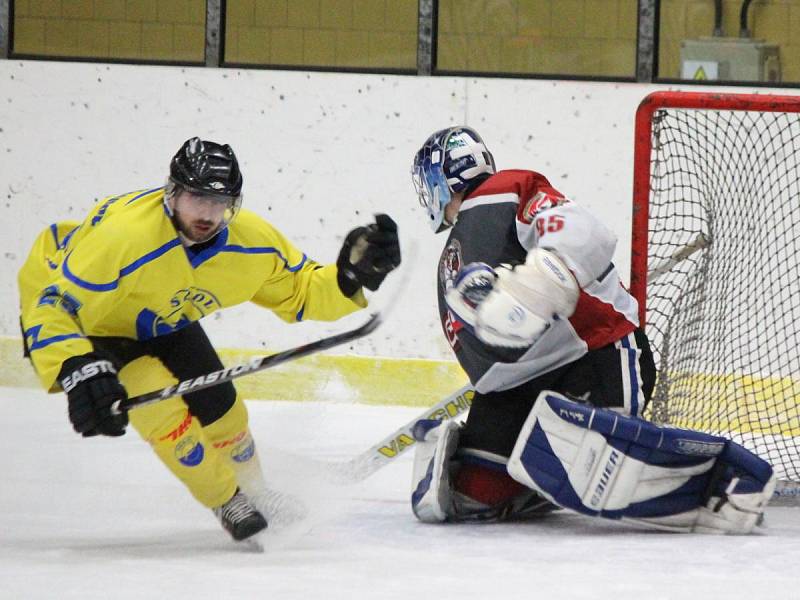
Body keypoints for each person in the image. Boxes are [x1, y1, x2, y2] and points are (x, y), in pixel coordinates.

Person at [18, 137, 401, 543]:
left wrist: (348, 279)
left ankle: (257, 490)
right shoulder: (122, 238)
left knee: (221, 405)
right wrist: (76, 366)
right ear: (172, 194)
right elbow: (51, 306)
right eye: (197, 198)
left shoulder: (250, 242)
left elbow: (300, 289)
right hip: (90, 324)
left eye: (219, 202)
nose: (208, 213)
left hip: (161, 316)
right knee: (159, 403)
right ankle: (226, 499)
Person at [408, 126, 775, 533]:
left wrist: (543, 281)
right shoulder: (454, 254)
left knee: (588, 463)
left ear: (439, 178)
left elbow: (582, 229)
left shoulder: (505, 191)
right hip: (510, 393)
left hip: (592, 357)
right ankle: (534, 481)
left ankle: (720, 483)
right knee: (470, 496)